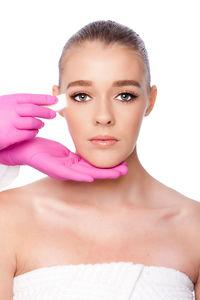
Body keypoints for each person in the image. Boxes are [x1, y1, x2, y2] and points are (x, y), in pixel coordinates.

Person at [0, 19, 199, 299]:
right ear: (60, 101)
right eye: (82, 96)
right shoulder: (8, 217)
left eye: (124, 95)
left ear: (150, 101)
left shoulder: (193, 226)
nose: (103, 116)